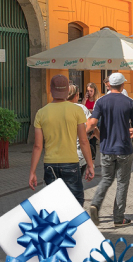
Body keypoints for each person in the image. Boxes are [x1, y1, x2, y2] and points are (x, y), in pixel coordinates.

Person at [29, 75, 95, 206]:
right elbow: (83, 141)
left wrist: (32, 172)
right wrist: (90, 165)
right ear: (66, 91)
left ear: (50, 89)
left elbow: (37, 146)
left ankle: (58, 225)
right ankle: (72, 225)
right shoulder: (76, 110)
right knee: (75, 203)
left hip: (50, 164)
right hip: (71, 163)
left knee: (53, 204)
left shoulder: (41, 113)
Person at [88, 73, 133, 228]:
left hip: (106, 148)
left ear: (109, 85)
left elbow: (92, 123)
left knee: (106, 179)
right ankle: (118, 218)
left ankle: (95, 205)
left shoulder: (101, 101)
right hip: (124, 148)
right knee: (122, 182)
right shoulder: (129, 102)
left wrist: (84, 133)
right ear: (123, 85)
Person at [67, 83, 99, 176]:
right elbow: (92, 125)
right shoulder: (80, 108)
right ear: (76, 95)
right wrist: (90, 165)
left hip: (57, 158)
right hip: (77, 156)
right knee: (75, 186)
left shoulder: (54, 108)